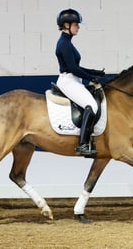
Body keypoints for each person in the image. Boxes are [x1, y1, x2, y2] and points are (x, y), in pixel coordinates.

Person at [55, 8, 108, 157]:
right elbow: (72, 68)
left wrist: (94, 72)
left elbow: (76, 67)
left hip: (73, 79)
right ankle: (83, 144)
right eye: (76, 24)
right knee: (91, 106)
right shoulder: (64, 44)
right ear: (66, 25)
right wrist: (92, 78)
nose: (78, 27)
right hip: (68, 81)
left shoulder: (67, 42)